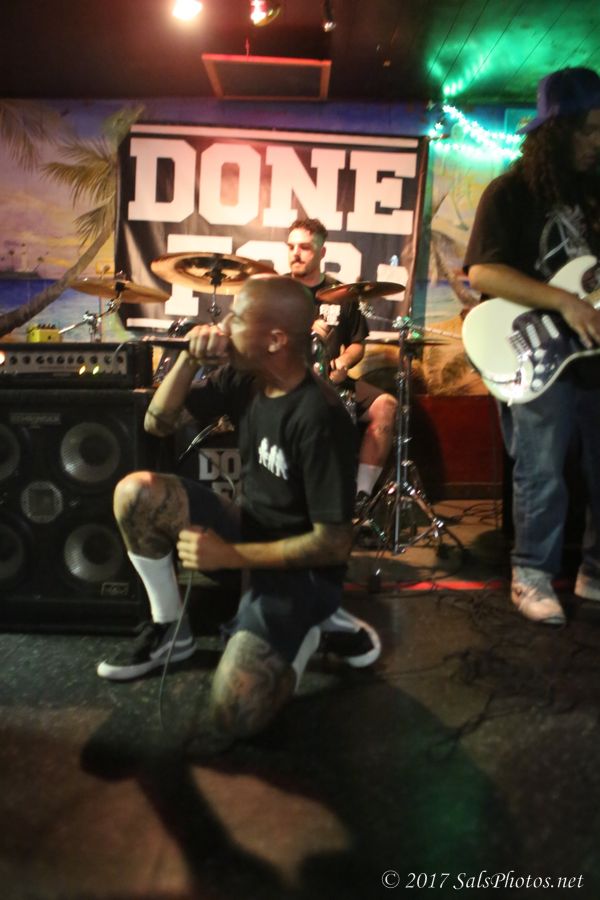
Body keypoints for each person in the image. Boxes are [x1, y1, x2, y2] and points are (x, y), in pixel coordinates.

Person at [96, 274, 380, 740]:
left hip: (301, 571)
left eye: (238, 318)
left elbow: (333, 544)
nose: (223, 327)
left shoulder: (320, 416)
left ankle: (314, 625)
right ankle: (170, 630)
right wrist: (189, 358)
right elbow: (157, 423)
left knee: (236, 714)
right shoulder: (243, 378)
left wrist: (227, 556)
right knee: (136, 493)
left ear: (275, 340)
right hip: (249, 533)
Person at [464, 66, 600, 625]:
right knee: (542, 469)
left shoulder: (595, 195)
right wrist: (563, 302)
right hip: (536, 353)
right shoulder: (512, 192)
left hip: (592, 355)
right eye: (589, 129)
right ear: (557, 132)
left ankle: (594, 571)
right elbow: (483, 272)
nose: (598, 141)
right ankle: (531, 574)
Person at [286, 218, 398, 516]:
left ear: (322, 253)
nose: (295, 253)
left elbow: (357, 344)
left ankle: (360, 499)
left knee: (386, 405)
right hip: (286, 383)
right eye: (291, 246)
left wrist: (344, 362)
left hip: (330, 381)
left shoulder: (343, 293)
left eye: (304, 247)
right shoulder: (277, 291)